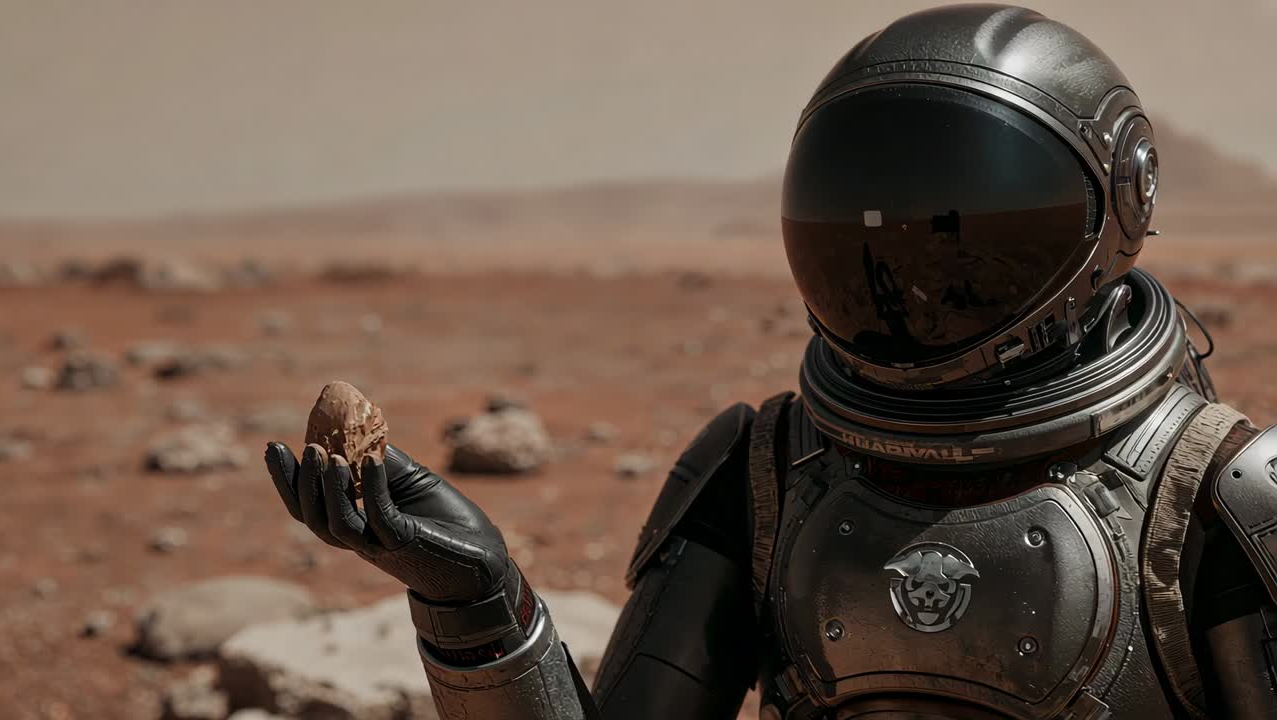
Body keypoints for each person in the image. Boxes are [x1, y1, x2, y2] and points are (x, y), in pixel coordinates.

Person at [264, 5, 1277, 718]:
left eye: (955, 239)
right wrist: (474, 600)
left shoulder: (1220, 502)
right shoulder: (763, 473)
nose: (908, 283)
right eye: (868, 235)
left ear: (1113, 211)